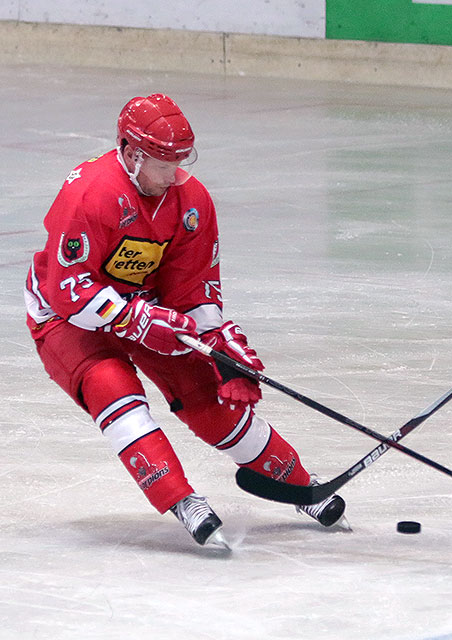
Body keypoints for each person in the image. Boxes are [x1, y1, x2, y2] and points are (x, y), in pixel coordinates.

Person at [24, 93, 345, 548]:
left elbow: (192, 286)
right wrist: (132, 317)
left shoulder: (190, 200)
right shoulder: (89, 193)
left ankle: (298, 484)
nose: (173, 174)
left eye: (179, 161)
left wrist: (215, 339)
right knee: (114, 389)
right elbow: (67, 287)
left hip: (148, 306)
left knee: (209, 395)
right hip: (68, 317)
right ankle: (181, 498)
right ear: (132, 154)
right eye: (162, 163)